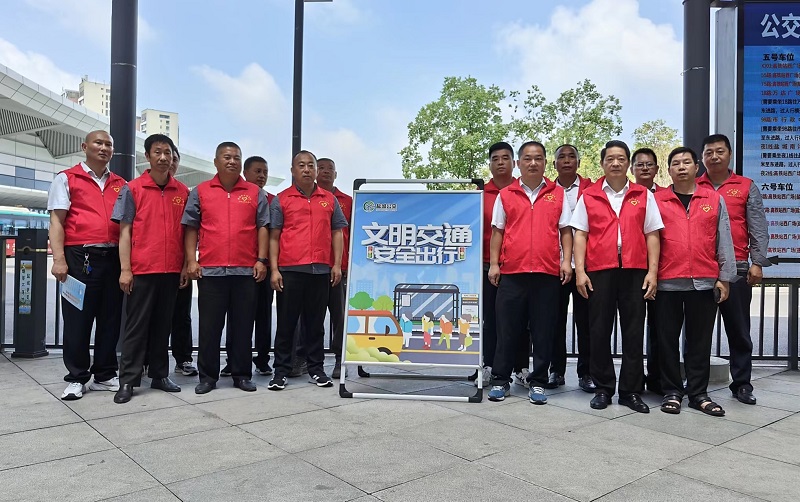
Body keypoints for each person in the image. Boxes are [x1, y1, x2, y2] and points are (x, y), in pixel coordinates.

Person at [571, 140, 663, 413]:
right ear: (602, 163)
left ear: (628, 164)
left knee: (633, 331)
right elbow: (580, 234)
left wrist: (653, 272)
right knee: (599, 330)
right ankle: (603, 388)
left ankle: (631, 391)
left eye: (621, 158)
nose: (615, 163)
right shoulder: (589, 195)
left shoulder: (643, 195)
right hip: (600, 270)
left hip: (635, 270)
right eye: (610, 158)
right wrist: (580, 271)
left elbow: (652, 234)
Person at [487, 141, 573, 404]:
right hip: (513, 273)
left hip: (547, 274)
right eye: (527, 158)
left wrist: (566, 262)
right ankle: (500, 380)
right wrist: (494, 264)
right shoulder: (506, 194)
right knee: (507, 329)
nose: (533, 163)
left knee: (543, 330)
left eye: (538, 158)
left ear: (545, 163)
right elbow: (498, 232)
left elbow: (566, 231)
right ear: (518, 163)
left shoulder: (558, 194)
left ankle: (538, 382)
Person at [182, 142, 270, 394]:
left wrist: (261, 260)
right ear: (216, 161)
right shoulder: (201, 191)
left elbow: (263, 227)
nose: (232, 161)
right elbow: (191, 227)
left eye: (236, 157)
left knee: (243, 326)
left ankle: (242, 374)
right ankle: (207, 377)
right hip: (211, 271)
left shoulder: (254, 192)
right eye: (227, 157)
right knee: (210, 327)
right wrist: (191, 260)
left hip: (246, 271)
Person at [655, 146, 736, 416]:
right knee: (666, 340)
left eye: (686, 162)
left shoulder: (713, 199)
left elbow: (724, 239)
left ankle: (698, 393)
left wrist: (724, 277)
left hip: (703, 281)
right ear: (669, 170)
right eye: (676, 163)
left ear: (696, 167)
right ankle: (671, 391)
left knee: (700, 341)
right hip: (666, 281)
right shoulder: (657, 200)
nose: (681, 167)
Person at [48, 130, 125, 400]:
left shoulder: (120, 183)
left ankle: (104, 374)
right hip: (80, 258)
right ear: (85, 146)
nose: (104, 148)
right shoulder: (67, 178)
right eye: (98, 143)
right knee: (77, 320)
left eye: (108, 144)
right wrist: (59, 259)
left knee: (110, 319)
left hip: (113, 258)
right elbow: (57, 221)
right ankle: (77, 377)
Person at [111, 134, 189, 403]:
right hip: (142, 269)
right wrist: (125, 269)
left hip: (171, 270)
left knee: (163, 326)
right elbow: (124, 232)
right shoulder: (132, 189)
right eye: (158, 152)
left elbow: (186, 233)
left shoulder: (182, 191)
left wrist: (184, 265)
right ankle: (128, 380)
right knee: (136, 327)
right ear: (147, 156)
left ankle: (159, 375)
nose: (164, 157)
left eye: (168, 152)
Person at [697, 133, 771, 405]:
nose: (714, 157)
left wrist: (757, 262)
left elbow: (758, 227)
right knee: (697, 333)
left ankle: (742, 384)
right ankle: (696, 383)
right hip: (701, 269)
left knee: (739, 330)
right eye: (709, 152)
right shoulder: (693, 185)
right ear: (702, 158)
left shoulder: (746, 186)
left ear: (729, 154)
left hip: (737, 267)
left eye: (720, 151)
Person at [267, 150, 346, 391]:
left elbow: (337, 232)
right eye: (301, 165)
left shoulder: (329, 199)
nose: (307, 169)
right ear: (293, 170)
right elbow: (274, 236)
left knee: (315, 324)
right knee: (286, 324)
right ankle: (280, 372)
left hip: (320, 271)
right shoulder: (282, 199)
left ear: (316, 170)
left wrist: (336, 264)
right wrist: (274, 269)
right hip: (290, 270)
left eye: (310, 165)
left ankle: (316, 370)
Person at [470, 141, 525, 388]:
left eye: (505, 158)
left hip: (518, 265)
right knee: (490, 319)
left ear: (514, 163)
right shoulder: (480, 194)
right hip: (486, 265)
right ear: (490, 164)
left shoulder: (523, 190)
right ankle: (488, 365)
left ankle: (521, 367)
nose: (500, 162)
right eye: (495, 159)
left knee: (520, 320)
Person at [221, 156, 275, 377]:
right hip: (241, 268)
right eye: (257, 171)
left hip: (265, 267)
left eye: (265, 172)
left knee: (263, 315)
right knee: (236, 318)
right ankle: (232, 361)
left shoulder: (273, 200)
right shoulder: (233, 197)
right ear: (245, 173)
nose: (262, 176)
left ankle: (262, 359)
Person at [548, 144, 594, 392]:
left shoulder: (592, 190)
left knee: (586, 322)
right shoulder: (547, 191)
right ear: (554, 164)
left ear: (578, 162)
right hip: (554, 266)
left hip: (585, 266)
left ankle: (586, 372)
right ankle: (556, 371)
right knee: (554, 321)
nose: (566, 161)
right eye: (561, 157)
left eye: (571, 157)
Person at [631, 147, 666, 394]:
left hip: (662, 271)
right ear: (632, 168)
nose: (644, 168)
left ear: (656, 168)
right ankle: (632, 378)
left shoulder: (666, 196)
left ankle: (656, 377)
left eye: (649, 164)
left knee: (659, 327)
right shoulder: (624, 194)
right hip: (632, 271)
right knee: (632, 326)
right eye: (640, 164)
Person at [316, 157, 353, 379]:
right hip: (315, 267)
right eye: (321, 168)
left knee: (340, 318)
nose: (326, 171)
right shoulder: (308, 199)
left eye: (330, 168)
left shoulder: (348, 200)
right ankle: (308, 360)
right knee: (311, 317)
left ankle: (340, 359)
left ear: (336, 174)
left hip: (341, 268)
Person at [168, 147, 198, 377]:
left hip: (179, 266)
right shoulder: (137, 188)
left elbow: (191, 230)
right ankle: (147, 360)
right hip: (148, 266)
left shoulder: (184, 193)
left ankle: (184, 359)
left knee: (181, 316)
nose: (169, 162)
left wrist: (188, 264)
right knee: (149, 318)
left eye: (174, 158)